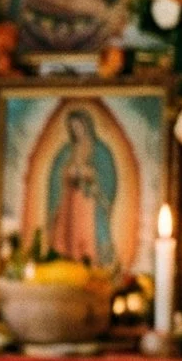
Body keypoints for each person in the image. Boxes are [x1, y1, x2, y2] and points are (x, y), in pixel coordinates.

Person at [44, 108, 118, 265]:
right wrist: (68, 173)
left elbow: (107, 177)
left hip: (89, 203)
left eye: (79, 126)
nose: (77, 131)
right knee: (67, 237)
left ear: (87, 126)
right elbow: (56, 176)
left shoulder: (100, 151)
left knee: (87, 240)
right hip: (69, 202)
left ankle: (91, 267)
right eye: (73, 127)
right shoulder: (66, 151)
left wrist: (91, 175)